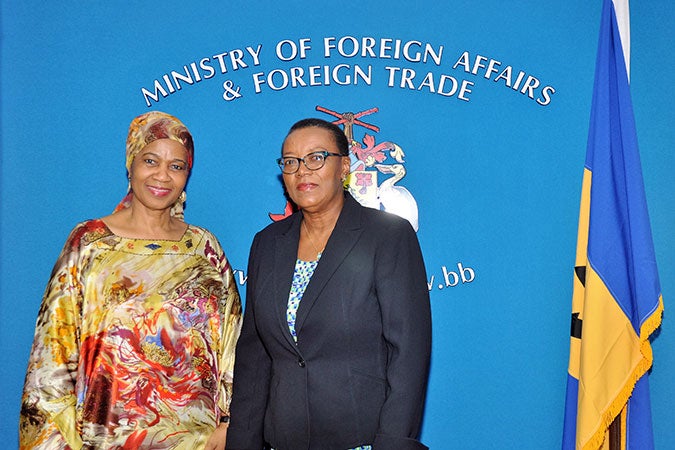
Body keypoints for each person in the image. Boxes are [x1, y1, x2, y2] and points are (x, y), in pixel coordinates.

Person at [19, 111, 242, 450]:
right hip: (106, 440)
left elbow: (234, 348)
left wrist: (231, 425)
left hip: (198, 442)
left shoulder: (204, 249)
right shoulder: (90, 244)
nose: (162, 176)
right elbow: (52, 359)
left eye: (177, 166)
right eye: (151, 160)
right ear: (131, 163)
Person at [226, 118, 431, 450]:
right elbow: (254, 357)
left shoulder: (387, 235)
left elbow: (408, 353)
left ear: (344, 167)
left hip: (361, 441)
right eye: (290, 162)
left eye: (316, 157)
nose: (302, 170)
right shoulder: (267, 243)